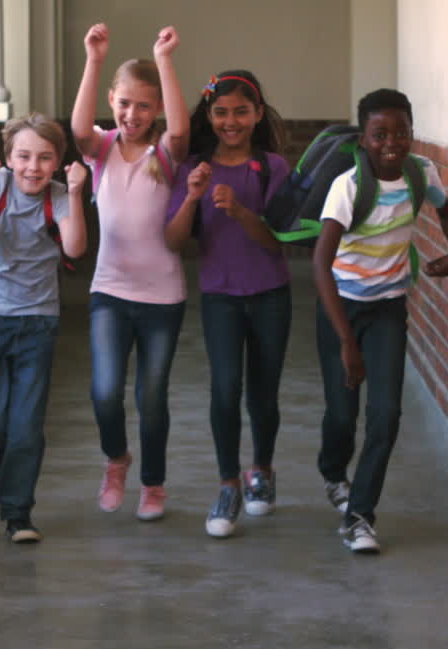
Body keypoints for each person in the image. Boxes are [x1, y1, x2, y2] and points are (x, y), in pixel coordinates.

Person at [312, 89, 448, 554]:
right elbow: (321, 265)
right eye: (380, 134)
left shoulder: (422, 174)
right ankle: (333, 472)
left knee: (386, 412)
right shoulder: (349, 187)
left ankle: (359, 515)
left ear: (412, 134)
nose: (391, 143)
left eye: (401, 132)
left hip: (388, 308)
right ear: (364, 139)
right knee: (343, 411)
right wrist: (346, 342)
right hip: (340, 306)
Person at [70, 23, 190, 521]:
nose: (132, 115)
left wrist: (164, 61)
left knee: (153, 397)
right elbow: (77, 129)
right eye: (123, 104)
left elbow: (181, 131)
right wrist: (95, 59)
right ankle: (116, 458)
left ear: (156, 109)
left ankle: (154, 484)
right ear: (112, 102)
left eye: (143, 106)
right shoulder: (100, 150)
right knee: (104, 391)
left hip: (162, 298)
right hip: (110, 292)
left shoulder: (165, 155)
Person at [164, 70, 290, 538]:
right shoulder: (193, 167)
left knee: (263, 391)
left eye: (241, 111)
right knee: (224, 389)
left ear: (258, 114)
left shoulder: (272, 167)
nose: (230, 121)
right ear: (208, 115)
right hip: (220, 295)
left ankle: (262, 470)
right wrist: (192, 197)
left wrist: (238, 210)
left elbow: (277, 242)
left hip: (270, 293)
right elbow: (174, 240)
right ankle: (228, 484)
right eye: (221, 112)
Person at [0, 114, 87, 544]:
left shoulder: (60, 197)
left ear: (58, 162)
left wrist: (79, 193)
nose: (34, 167)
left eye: (45, 158)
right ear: (8, 158)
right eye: (24, 156)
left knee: (27, 425)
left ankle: (18, 514)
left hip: (39, 324)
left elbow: (75, 248)